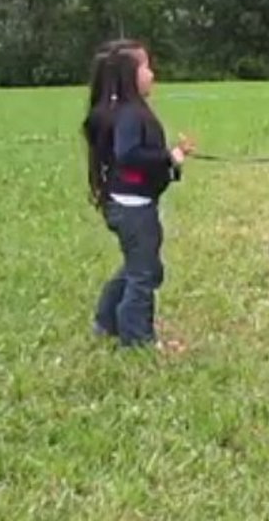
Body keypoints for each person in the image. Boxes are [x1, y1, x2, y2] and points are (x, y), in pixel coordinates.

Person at [81, 39, 195, 350]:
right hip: (133, 209)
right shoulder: (130, 114)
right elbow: (129, 155)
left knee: (140, 267)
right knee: (144, 274)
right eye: (145, 67)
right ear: (128, 75)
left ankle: (106, 322)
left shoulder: (126, 111)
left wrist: (172, 159)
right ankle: (137, 339)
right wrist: (168, 157)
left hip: (129, 205)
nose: (152, 74)